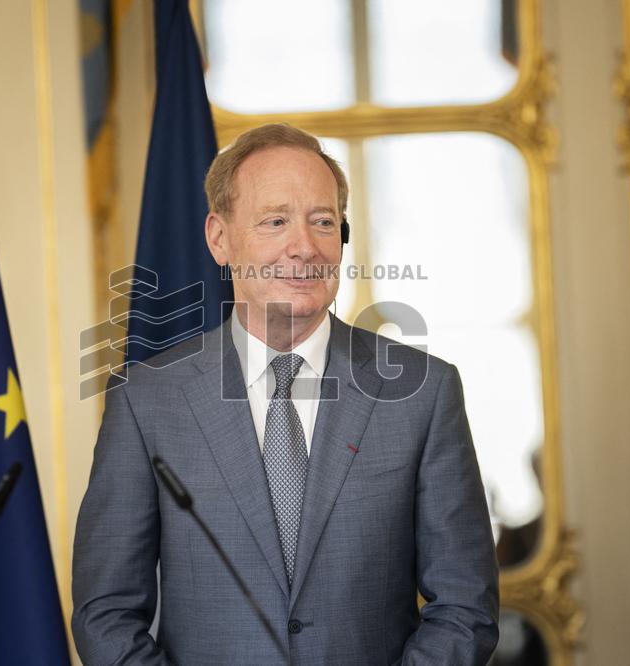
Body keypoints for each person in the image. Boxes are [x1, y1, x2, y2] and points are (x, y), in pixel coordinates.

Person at [71, 123, 499, 665]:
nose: (304, 247)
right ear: (219, 238)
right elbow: (106, 614)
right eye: (276, 221)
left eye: (323, 222)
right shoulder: (146, 402)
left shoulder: (423, 393)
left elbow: (465, 606)